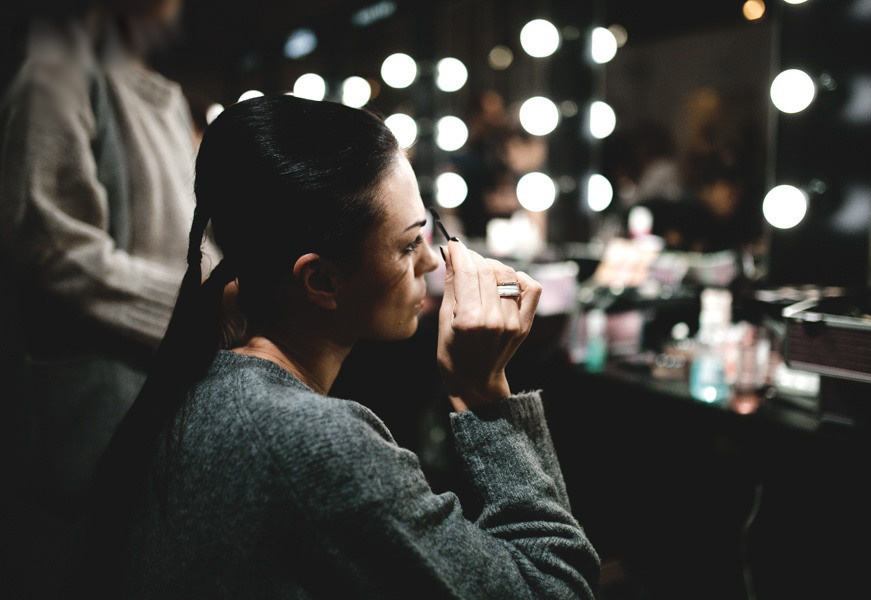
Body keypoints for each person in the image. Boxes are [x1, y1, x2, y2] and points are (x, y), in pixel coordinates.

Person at [76, 95, 601, 598]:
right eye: (407, 243)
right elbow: (551, 587)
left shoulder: (202, 386)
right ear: (321, 280)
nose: (432, 262)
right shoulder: (313, 442)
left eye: (427, 232)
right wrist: (484, 395)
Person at [0, 1, 206, 596]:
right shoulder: (59, 75)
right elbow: (50, 247)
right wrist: (202, 307)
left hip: (159, 397)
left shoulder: (163, 97)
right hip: (89, 422)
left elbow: (196, 236)